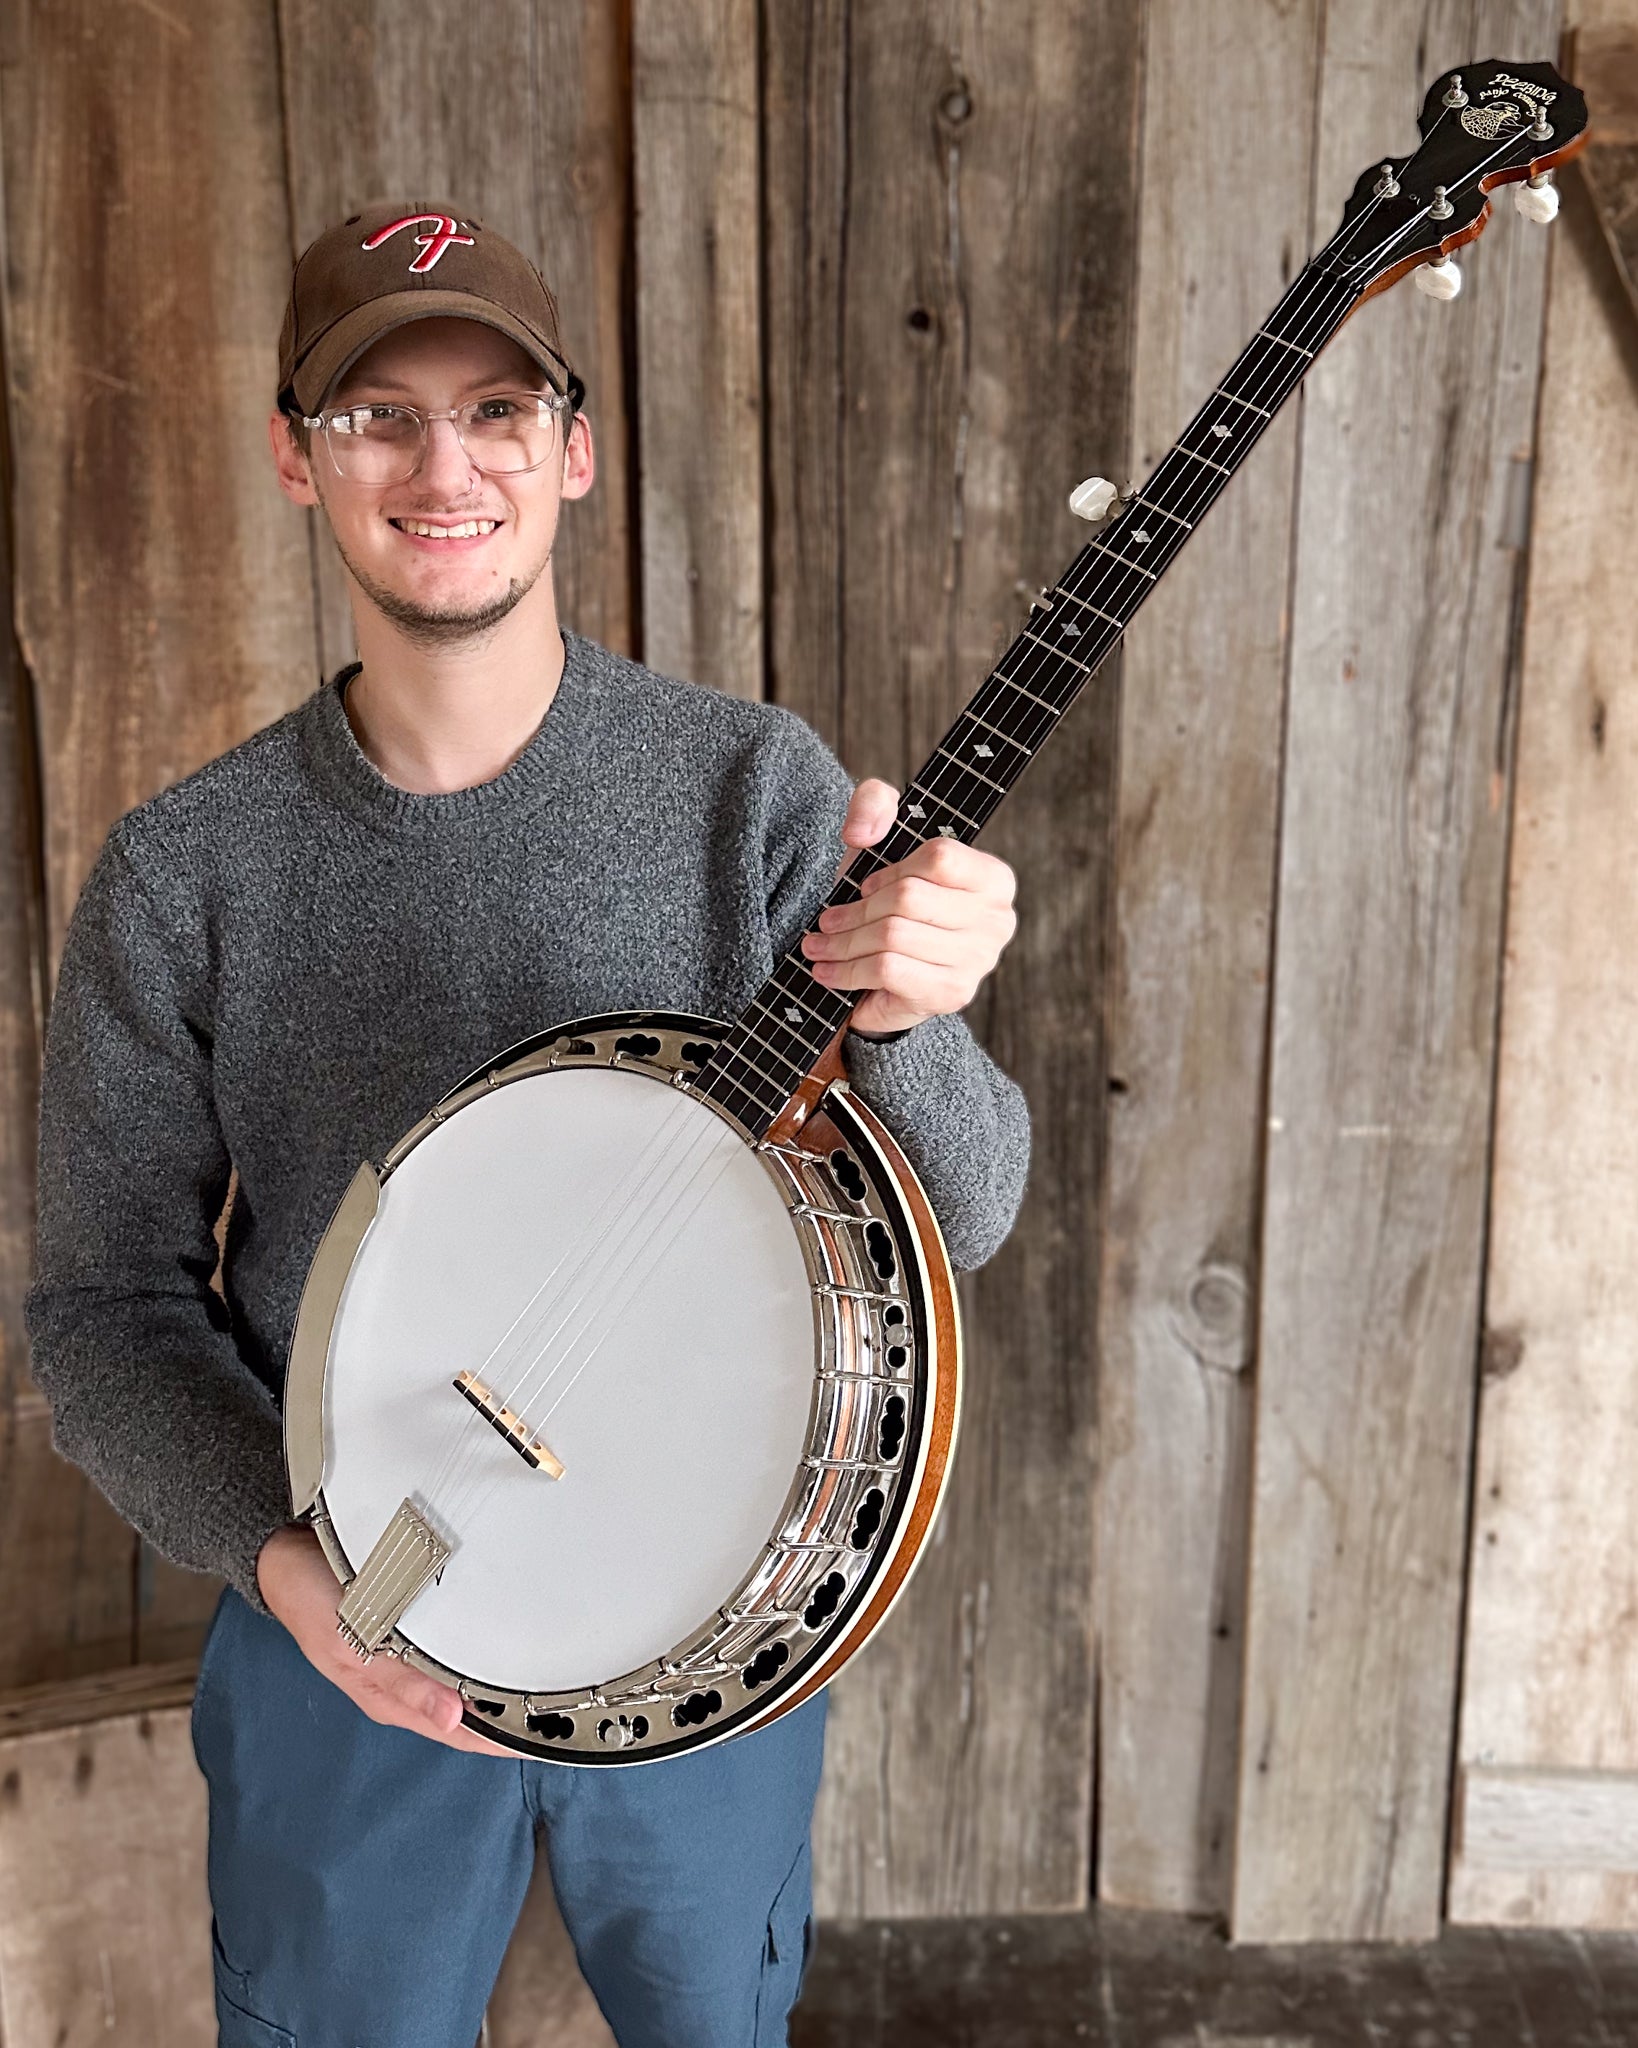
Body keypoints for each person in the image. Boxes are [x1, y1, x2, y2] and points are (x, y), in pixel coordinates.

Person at [24, 200, 1031, 2048]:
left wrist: (916, 1019)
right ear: (295, 457)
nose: (445, 469)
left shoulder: (749, 790)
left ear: (572, 450)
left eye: (496, 410)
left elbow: (955, 1215)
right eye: (377, 418)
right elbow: (102, 1309)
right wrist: (286, 1569)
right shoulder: (185, 873)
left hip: (711, 1619)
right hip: (351, 1612)